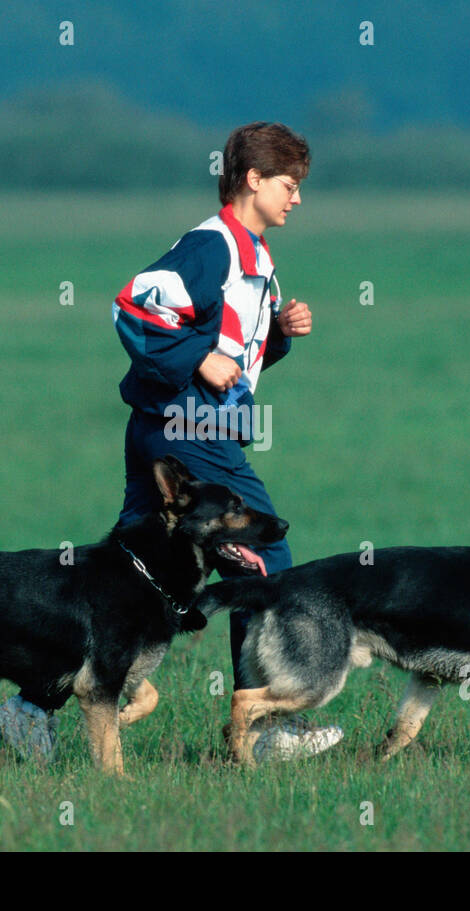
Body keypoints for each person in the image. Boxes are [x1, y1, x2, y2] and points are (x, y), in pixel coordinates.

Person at [108, 121, 341, 762]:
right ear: (253, 179)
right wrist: (198, 359)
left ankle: (30, 707)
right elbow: (133, 307)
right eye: (289, 185)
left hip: (165, 425)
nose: (298, 198)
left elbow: (234, 352)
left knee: (129, 568)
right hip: (191, 428)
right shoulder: (213, 246)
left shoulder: (254, 254)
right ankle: (262, 730)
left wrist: (279, 332)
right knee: (266, 554)